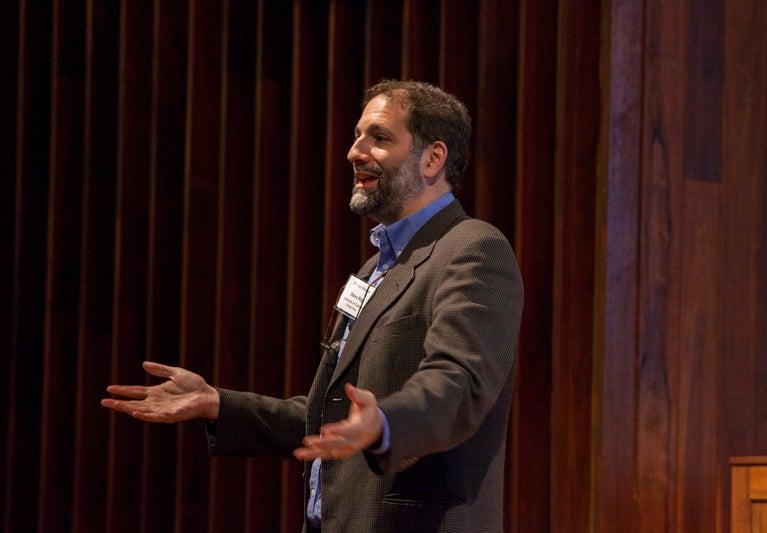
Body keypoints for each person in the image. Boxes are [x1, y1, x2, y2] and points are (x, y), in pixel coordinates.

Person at [102, 80, 524, 533]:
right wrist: (218, 405)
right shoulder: (371, 271)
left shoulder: (472, 248)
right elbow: (333, 420)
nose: (354, 152)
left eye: (379, 137)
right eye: (357, 135)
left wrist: (385, 424)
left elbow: (459, 384)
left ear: (432, 158)